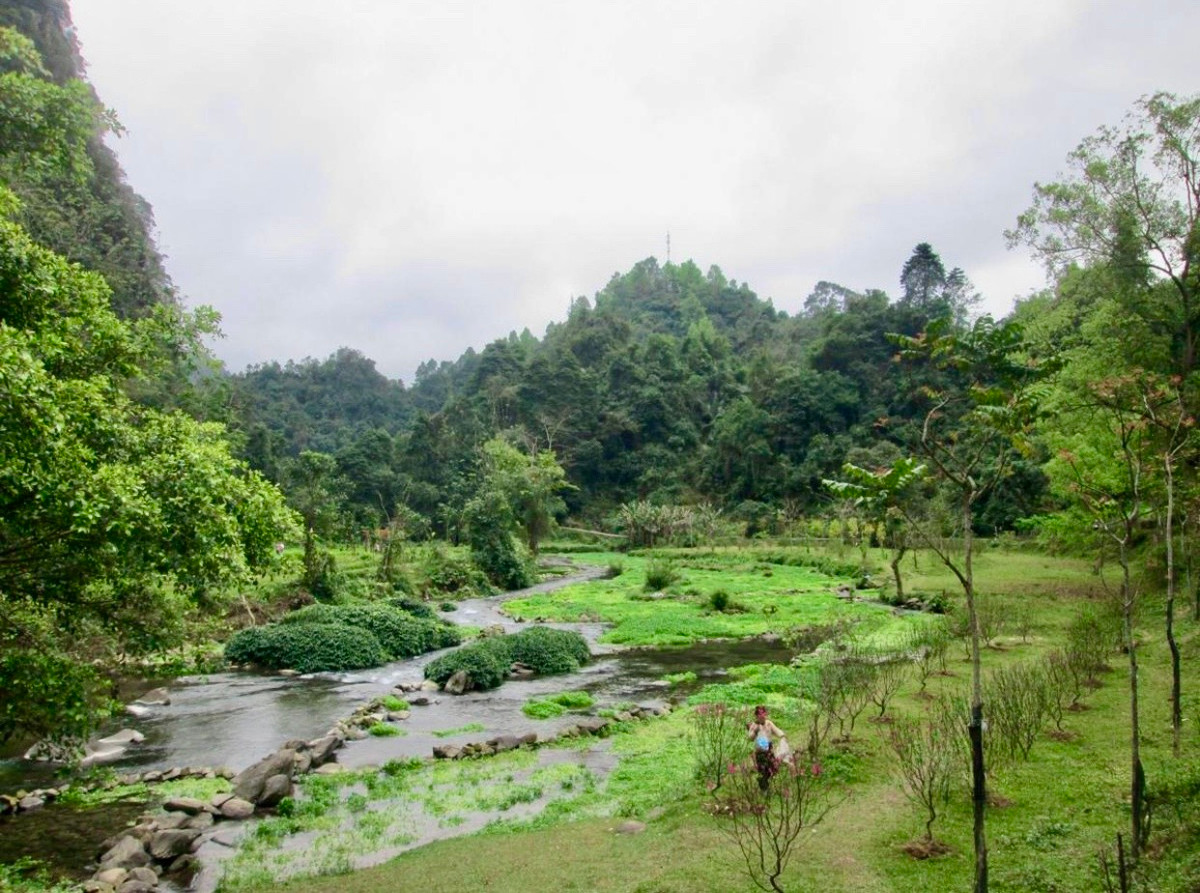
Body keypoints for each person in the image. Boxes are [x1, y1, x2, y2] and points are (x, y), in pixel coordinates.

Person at [747, 704, 790, 790]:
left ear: (765, 714)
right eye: (759, 714)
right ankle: (764, 788)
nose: (762, 716)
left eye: (763, 713)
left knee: (772, 769)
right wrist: (755, 731)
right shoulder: (754, 725)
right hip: (760, 753)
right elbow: (750, 738)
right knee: (763, 772)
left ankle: (766, 785)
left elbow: (777, 731)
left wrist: (782, 736)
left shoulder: (769, 723)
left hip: (769, 751)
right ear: (756, 716)